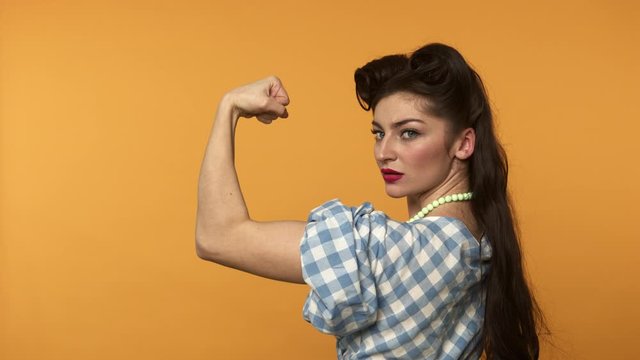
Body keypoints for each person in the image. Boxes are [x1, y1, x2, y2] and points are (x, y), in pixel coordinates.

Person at [195, 43, 547, 359]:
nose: (384, 152)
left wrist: (229, 107)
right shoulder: (477, 238)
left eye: (409, 132)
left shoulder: (392, 249)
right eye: (379, 133)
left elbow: (218, 237)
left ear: (463, 143)